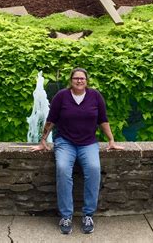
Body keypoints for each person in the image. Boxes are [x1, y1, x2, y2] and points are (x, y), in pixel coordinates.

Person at [32, 67, 124, 235]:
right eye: (76, 78)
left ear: (86, 81)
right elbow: (51, 120)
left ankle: (88, 215)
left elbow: (103, 120)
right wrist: (43, 140)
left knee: (94, 169)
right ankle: (66, 216)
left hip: (88, 143)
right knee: (62, 169)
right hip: (65, 142)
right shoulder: (61, 96)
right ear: (71, 80)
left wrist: (111, 140)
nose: (79, 81)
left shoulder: (95, 96)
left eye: (82, 78)